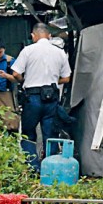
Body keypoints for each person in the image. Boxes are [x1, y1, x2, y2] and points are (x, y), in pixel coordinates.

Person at [11, 23, 72, 170]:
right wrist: (52, 82)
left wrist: (24, 80)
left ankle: (32, 167)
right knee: (50, 134)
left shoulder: (28, 50)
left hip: (32, 98)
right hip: (51, 98)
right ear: (49, 36)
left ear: (33, 36)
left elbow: (16, 73)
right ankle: (51, 168)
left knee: (28, 133)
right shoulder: (60, 52)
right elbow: (66, 78)